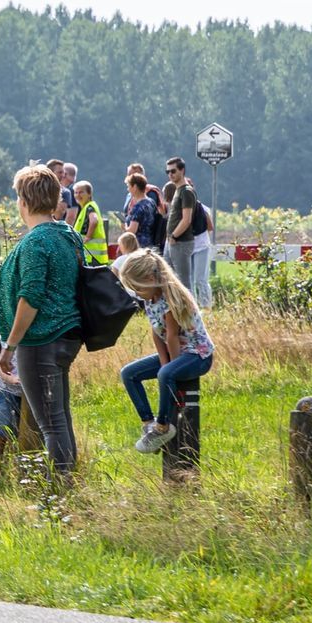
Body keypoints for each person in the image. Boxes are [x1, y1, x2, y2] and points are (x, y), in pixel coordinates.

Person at [0, 164, 86, 478]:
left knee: (50, 422)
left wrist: (10, 346)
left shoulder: (36, 242)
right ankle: (66, 478)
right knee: (60, 416)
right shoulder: (67, 234)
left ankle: (60, 485)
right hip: (68, 335)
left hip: (40, 339)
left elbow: (31, 297)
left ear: (24, 200)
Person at [113, 250, 214, 454]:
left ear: (150, 279)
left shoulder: (170, 299)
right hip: (176, 351)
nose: (137, 293)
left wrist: (171, 368)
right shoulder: (151, 299)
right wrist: (164, 362)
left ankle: (163, 427)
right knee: (129, 373)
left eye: (138, 288)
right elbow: (157, 334)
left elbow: (172, 337)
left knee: (165, 374)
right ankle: (148, 423)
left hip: (197, 355)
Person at [162, 157, 211, 305]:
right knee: (170, 277)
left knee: (185, 282)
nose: (170, 174)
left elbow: (186, 219)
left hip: (181, 242)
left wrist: (174, 236)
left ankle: (191, 314)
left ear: (182, 170)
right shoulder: (178, 190)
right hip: (174, 241)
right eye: (167, 171)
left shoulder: (186, 192)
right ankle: (175, 308)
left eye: (173, 171)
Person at [72, 180, 109, 265]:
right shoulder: (86, 207)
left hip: (92, 256)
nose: (78, 195)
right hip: (92, 256)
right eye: (76, 192)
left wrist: (88, 237)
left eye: (81, 192)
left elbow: (94, 221)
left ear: (89, 194)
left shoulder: (89, 207)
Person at [122, 173, 157, 247]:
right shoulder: (151, 202)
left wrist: (124, 226)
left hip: (138, 244)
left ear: (134, 187)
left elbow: (132, 231)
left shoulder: (137, 207)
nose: (128, 189)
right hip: (150, 241)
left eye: (128, 186)